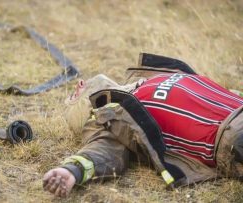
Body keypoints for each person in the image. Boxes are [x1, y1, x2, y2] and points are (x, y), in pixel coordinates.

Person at [42, 53, 243, 197]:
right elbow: (103, 151)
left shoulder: (147, 77)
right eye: (75, 95)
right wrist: (72, 170)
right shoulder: (115, 119)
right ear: (87, 111)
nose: (79, 84)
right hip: (232, 137)